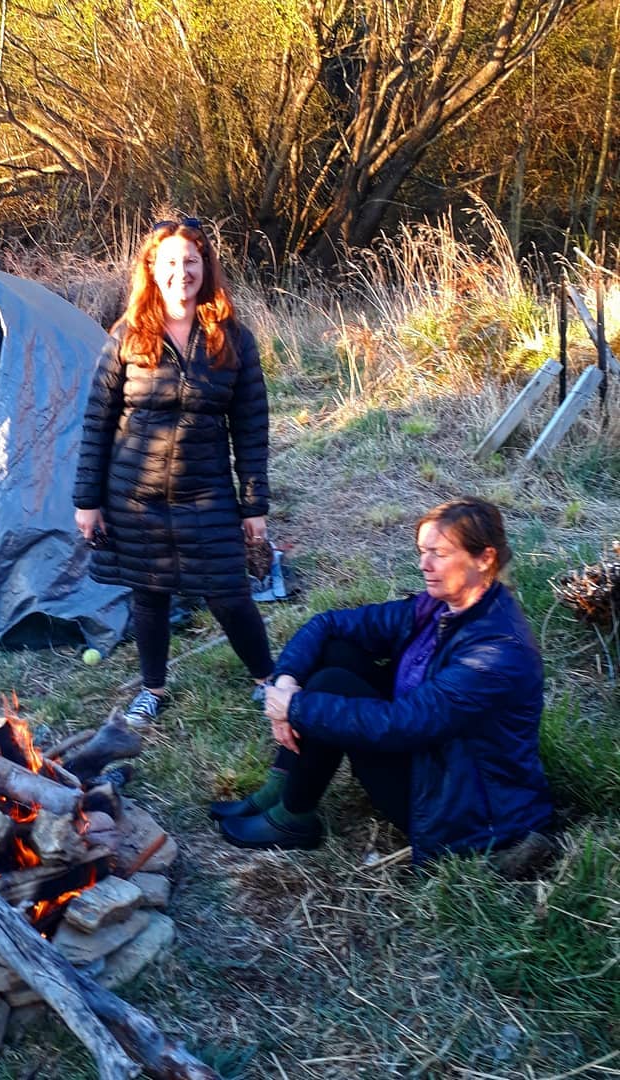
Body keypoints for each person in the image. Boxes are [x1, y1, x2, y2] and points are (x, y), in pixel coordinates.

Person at [211, 497, 553, 864]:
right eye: (421, 551)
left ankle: (293, 817)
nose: (424, 565)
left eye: (438, 553)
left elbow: (405, 724)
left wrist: (296, 707)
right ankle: (279, 787)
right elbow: (327, 625)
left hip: (462, 807)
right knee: (337, 650)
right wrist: (286, 682)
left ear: (484, 558)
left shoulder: (497, 651)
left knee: (331, 686)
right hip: (434, 759)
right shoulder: (437, 608)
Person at [73, 216, 275, 728]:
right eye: (170, 263)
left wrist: (254, 507)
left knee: (229, 591)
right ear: (152, 269)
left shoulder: (233, 340)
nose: (180, 272)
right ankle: (153, 688)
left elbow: (251, 429)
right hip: (132, 496)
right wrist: (86, 500)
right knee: (149, 592)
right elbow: (97, 420)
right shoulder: (126, 336)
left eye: (190, 261)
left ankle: (266, 679)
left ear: (206, 267)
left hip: (206, 493)